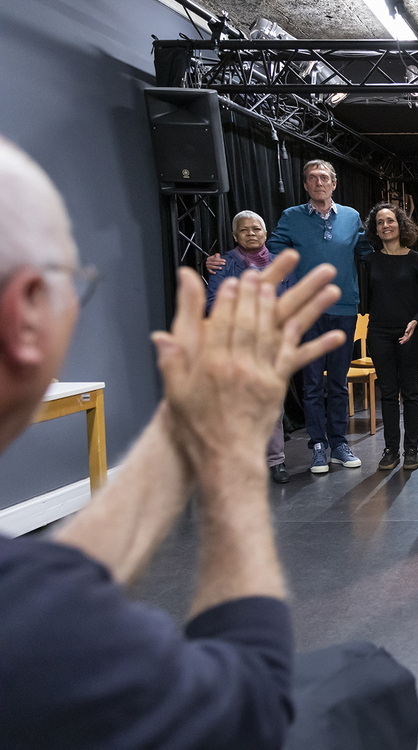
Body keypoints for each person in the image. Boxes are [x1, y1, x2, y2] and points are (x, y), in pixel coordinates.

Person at [0, 136, 345, 747]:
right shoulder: (49, 644)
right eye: (71, 284)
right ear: (25, 313)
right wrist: (232, 469)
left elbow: (42, 590)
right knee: (367, 679)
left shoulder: (29, 606)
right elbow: (251, 708)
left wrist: (181, 433)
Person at [209, 160, 374, 475]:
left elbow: (369, 256)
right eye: (312, 178)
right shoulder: (291, 217)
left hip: (344, 309)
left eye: (324, 177)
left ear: (334, 183)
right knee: (312, 384)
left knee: (338, 383)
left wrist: (408, 261)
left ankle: (339, 444)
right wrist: (224, 262)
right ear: (305, 185)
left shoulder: (352, 217)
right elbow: (264, 255)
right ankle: (318, 447)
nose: (318, 182)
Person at [205, 209, 296, 484]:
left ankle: (275, 461)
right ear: (235, 236)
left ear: (265, 234)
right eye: (244, 230)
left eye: (256, 229)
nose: (251, 234)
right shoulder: (224, 265)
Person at [363, 202, 418, 472]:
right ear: (375, 229)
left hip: (411, 333)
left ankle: (411, 450)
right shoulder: (370, 261)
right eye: (380, 222)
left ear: (400, 224)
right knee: (389, 394)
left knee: (411, 393)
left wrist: (415, 322)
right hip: (379, 334)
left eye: (390, 220)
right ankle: (391, 449)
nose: (385, 226)